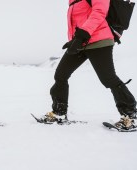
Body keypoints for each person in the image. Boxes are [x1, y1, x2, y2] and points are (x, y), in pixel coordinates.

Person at [41, 0, 136, 130]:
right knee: (61, 75)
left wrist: (81, 36)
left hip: (99, 39)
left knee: (108, 78)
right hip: (80, 41)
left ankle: (131, 116)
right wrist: (74, 39)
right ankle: (59, 113)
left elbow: (99, 12)